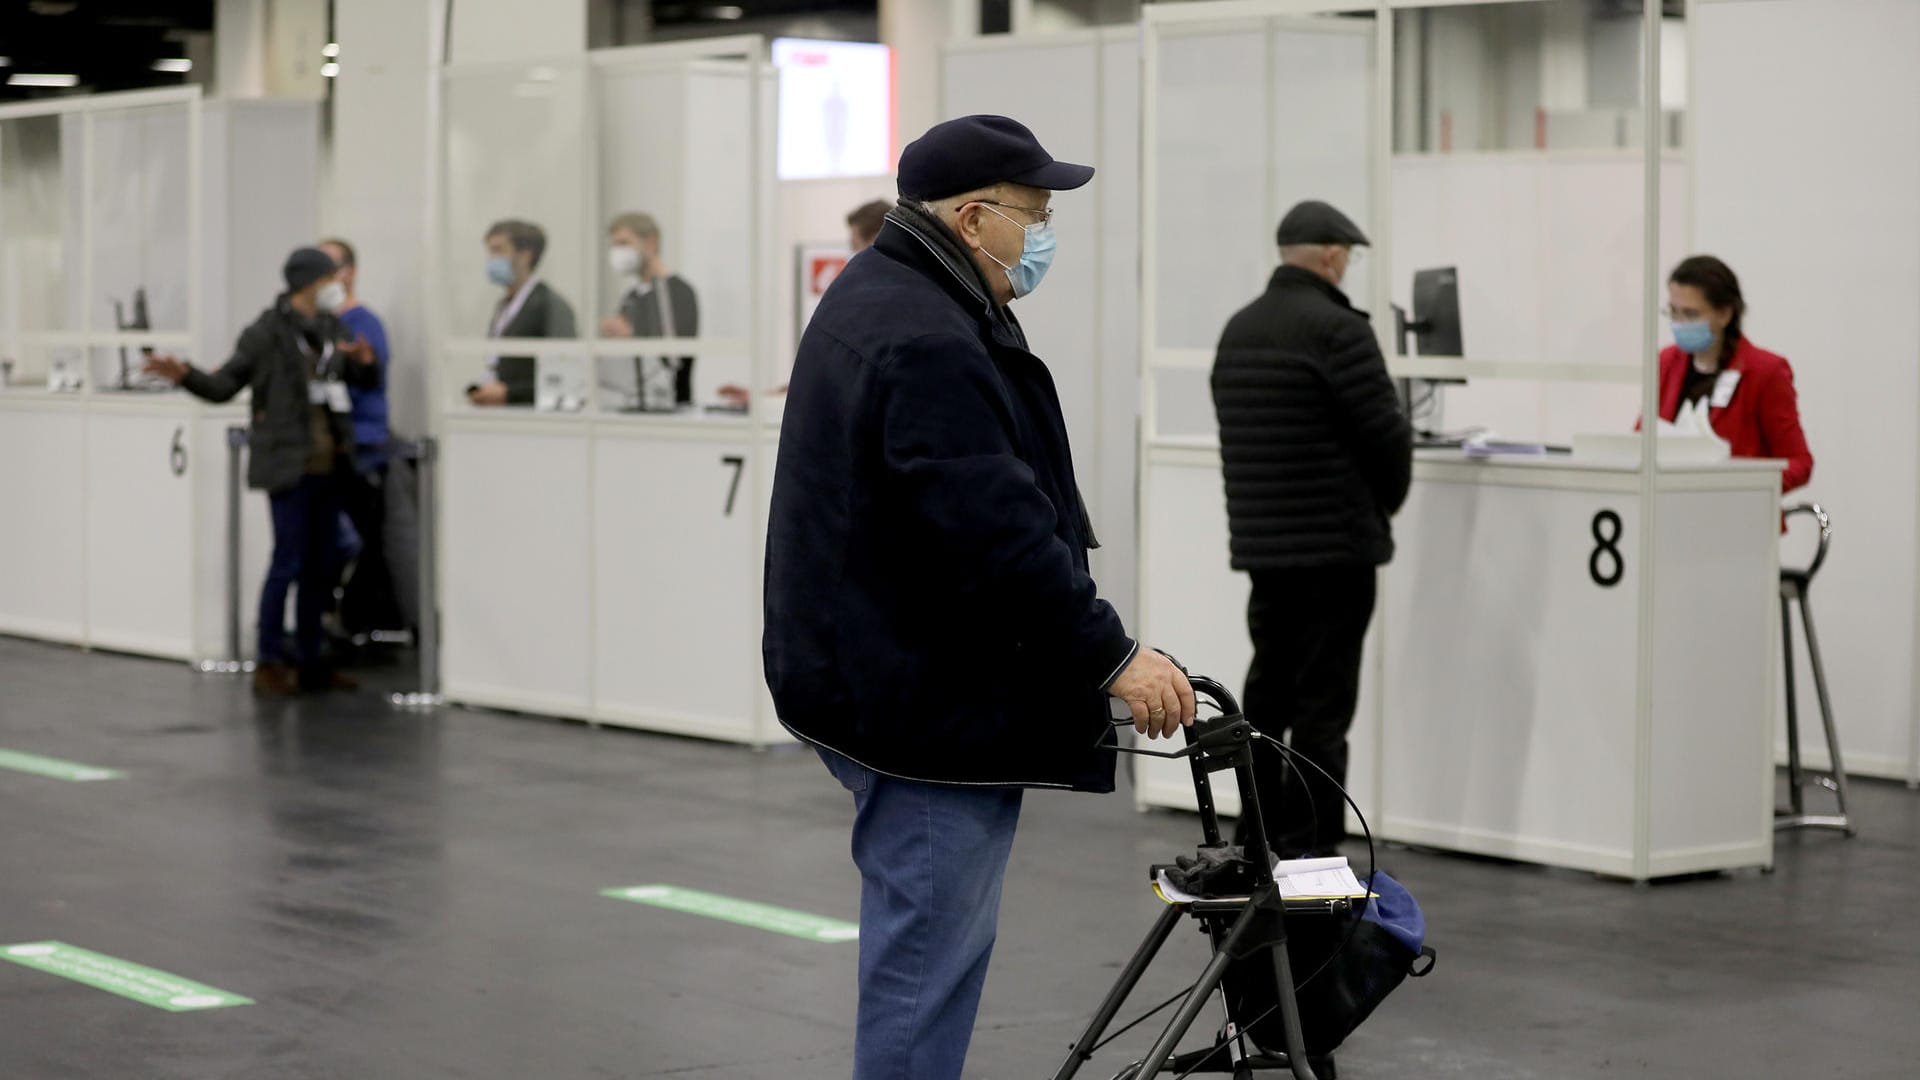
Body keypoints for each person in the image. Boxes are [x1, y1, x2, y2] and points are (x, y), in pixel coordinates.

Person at [764, 114, 1196, 1080]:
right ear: (972, 218)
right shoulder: (924, 335)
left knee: (926, 949)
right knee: (927, 964)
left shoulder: (899, 295)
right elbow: (994, 531)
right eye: (1034, 214)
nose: (1044, 235)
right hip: (918, 700)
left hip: (883, 673)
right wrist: (1113, 657)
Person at [1210, 199, 1413, 859]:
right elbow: (1385, 438)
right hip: (1337, 553)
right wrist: (1385, 504)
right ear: (1331, 256)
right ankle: (1314, 847)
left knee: (1268, 693)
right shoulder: (1338, 330)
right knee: (1324, 710)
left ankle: (1257, 834)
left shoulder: (1238, 329)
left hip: (1266, 554)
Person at [144, 247, 381, 694]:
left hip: (332, 464)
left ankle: (311, 659)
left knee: (321, 565)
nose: (339, 284)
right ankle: (269, 660)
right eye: (332, 276)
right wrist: (185, 375)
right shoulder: (266, 334)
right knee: (287, 562)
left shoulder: (333, 329)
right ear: (310, 282)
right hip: (288, 467)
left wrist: (368, 364)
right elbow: (223, 385)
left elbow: (357, 382)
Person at [1657, 255, 1813, 491]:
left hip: (1738, 515)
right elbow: (1643, 441)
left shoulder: (1765, 371)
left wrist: (1745, 487)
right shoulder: (1667, 362)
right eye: (1674, 312)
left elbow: (1799, 463)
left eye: (1691, 314)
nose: (1679, 323)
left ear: (1724, 314)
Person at [315, 237, 403, 638]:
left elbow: (370, 377)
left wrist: (362, 363)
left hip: (362, 447)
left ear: (348, 272)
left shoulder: (365, 325)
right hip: (325, 447)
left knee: (361, 541)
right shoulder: (315, 324)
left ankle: (356, 621)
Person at [468, 219, 576, 407]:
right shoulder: (503, 306)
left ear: (525, 256)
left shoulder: (549, 305)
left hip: (533, 419)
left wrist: (510, 394)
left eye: (499, 251)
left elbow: (565, 378)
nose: (491, 259)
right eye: (490, 251)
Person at [600, 212, 699, 410]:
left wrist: (631, 335)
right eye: (615, 245)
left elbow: (674, 359)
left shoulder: (678, 291)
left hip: (671, 407)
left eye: (624, 243)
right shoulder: (632, 296)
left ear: (651, 242)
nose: (618, 252)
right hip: (632, 402)